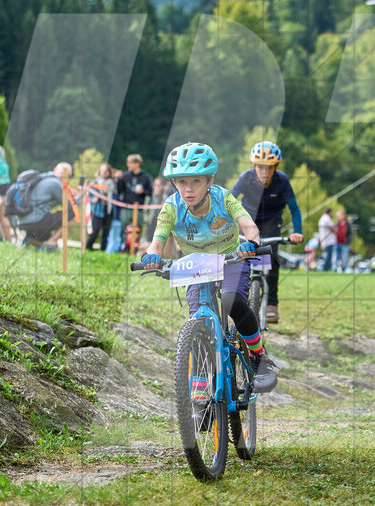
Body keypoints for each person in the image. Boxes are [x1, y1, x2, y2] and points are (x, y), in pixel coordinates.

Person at [141, 142, 277, 392]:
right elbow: (158, 240)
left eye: (196, 181)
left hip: (231, 259)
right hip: (196, 266)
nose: (188, 189)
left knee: (232, 302)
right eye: (182, 182)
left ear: (209, 180)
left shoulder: (223, 198)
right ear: (174, 183)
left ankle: (259, 357)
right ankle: (201, 385)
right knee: (198, 321)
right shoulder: (172, 206)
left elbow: (248, 225)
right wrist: (152, 256)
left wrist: (252, 243)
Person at [230, 141, 303, 324]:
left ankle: (272, 304)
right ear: (254, 166)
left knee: (272, 258)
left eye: (269, 168)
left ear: (276, 167)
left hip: (272, 221)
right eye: (260, 167)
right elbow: (228, 202)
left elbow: (294, 209)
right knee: (240, 256)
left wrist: (297, 232)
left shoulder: (282, 181)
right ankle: (238, 297)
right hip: (248, 219)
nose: (264, 172)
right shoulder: (245, 178)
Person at [14, 162, 79, 249]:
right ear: (55, 170)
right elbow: (70, 206)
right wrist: (79, 196)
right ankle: (50, 243)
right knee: (72, 215)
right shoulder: (55, 183)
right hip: (36, 221)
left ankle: (31, 240)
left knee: (47, 235)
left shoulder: (41, 179)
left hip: (21, 222)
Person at [116, 153, 153, 252]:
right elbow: (119, 191)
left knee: (137, 230)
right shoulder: (125, 176)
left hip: (139, 209)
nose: (128, 165)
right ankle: (125, 250)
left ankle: (135, 251)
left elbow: (150, 192)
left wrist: (143, 192)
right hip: (126, 207)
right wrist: (118, 179)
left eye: (130, 163)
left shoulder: (145, 177)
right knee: (125, 229)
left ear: (137, 163)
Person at [86, 163, 116, 250]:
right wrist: (94, 198)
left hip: (108, 210)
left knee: (106, 233)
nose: (104, 173)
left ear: (109, 172)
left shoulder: (112, 184)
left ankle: (103, 251)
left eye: (106, 171)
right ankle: (88, 248)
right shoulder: (95, 183)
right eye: (102, 171)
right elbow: (89, 195)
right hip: (97, 210)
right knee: (94, 231)